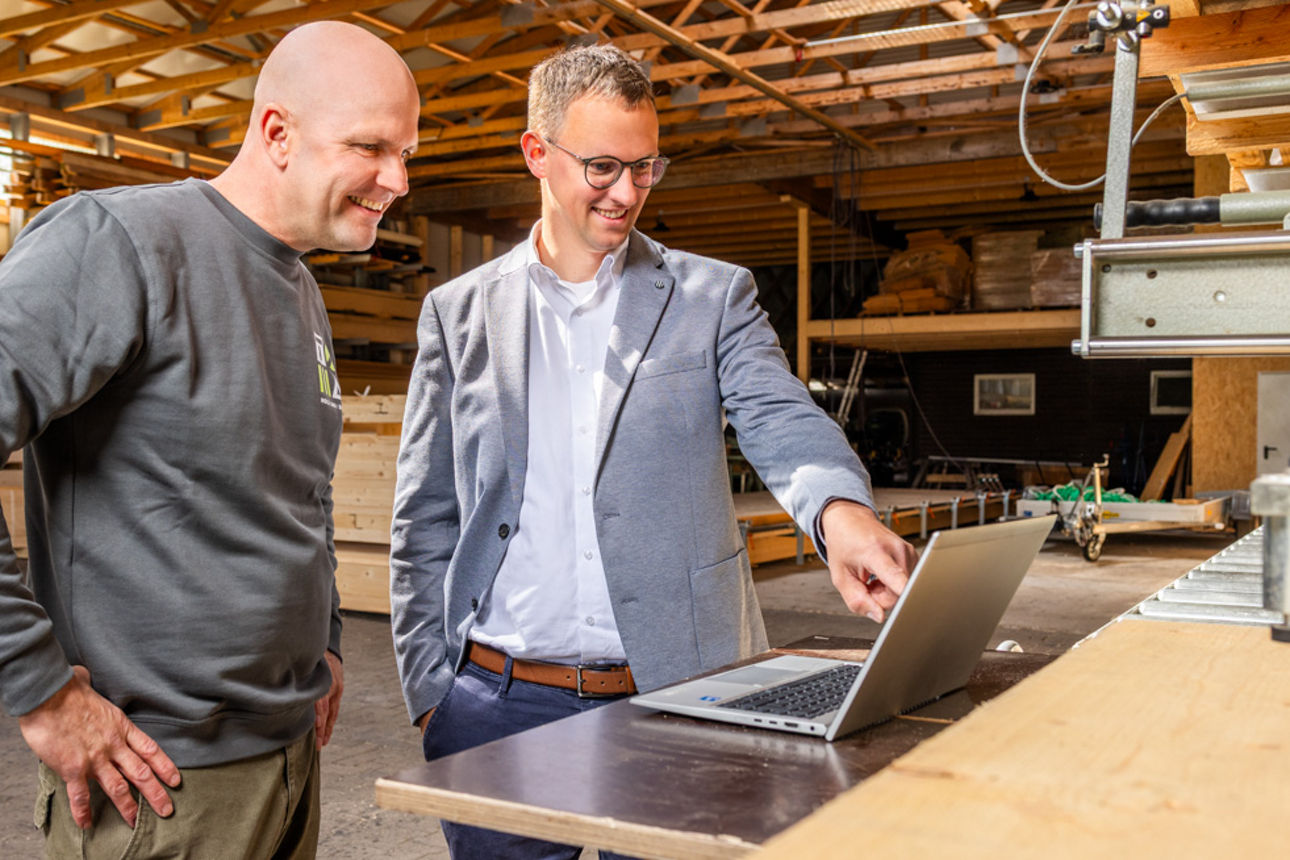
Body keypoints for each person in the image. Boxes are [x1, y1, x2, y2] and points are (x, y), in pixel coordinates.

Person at [390, 44, 916, 860]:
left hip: (677, 695)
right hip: (496, 703)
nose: (627, 193)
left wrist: (839, 513)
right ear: (536, 152)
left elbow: (780, 418)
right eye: (603, 166)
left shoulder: (714, 296)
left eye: (646, 168)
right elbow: (426, 511)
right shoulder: (456, 314)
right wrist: (433, 690)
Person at [0, 21, 419, 858]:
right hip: (161, 783)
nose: (397, 180)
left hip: (288, 754)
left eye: (406, 152)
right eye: (371, 147)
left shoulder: (299, 286)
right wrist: (39, 690)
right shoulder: (117, 244)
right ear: (276, 133)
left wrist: (325, 638)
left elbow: (299, 483)